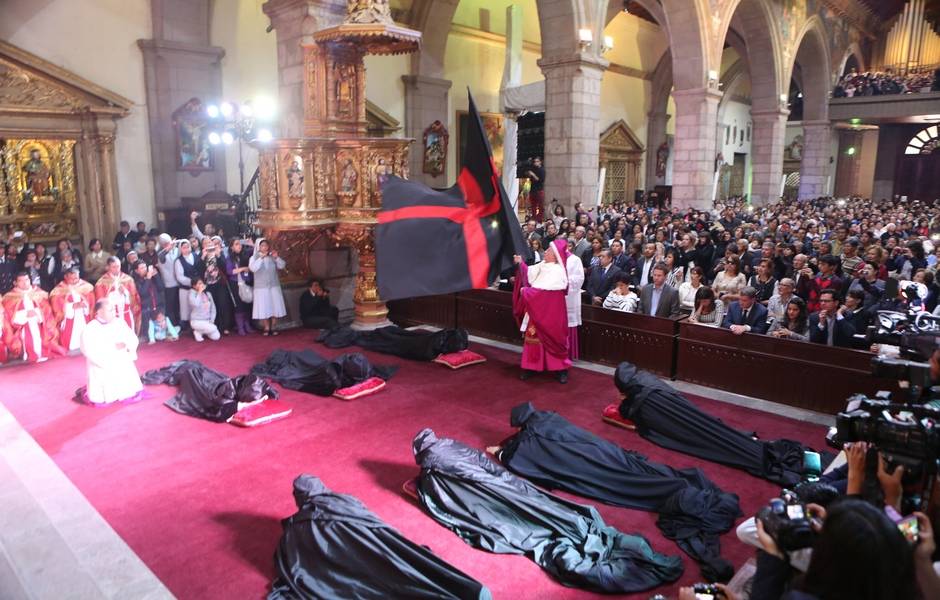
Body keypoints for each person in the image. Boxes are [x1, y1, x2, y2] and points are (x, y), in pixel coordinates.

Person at [512, 241, 571, 383]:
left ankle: (560, 369)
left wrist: (526, 292)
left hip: (551, 314)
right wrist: (521, 263)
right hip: (536, 311)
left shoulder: (558, 272)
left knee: (554, 338)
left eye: (549, 251)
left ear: (556, 255)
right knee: (533, 338)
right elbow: (528, 275)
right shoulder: (542, 265)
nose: (545, 252)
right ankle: (531, 367)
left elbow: (544, 294)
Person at [79, 298, 144, 406]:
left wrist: (126, 344)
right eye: (110, 310)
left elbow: (132, 338)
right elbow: (88, 349)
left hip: (121, 358)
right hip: (103, 363)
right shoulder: (90, 329)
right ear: (99, 312)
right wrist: (111, 350)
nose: (114, 312)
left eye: (114, 309)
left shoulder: (119, 322)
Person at [2, 271, 60, 362]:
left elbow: (47, 311)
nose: (25, 283)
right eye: (21, 281)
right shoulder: (10, 297)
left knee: (44, 339)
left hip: (40, 325)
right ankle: (27, 354)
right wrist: (25, 315)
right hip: (22, 328)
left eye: (27, 280)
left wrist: (37, 313)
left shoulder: (38, 293)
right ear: (15, 283)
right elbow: (8, 317)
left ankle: (43, 352)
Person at [49, 267, 94, 353]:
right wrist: (72, 306)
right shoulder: (59, 290)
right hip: (69, 317)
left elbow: (91, 302)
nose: (74, 281)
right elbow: (56, 306)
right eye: (71, 279)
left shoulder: (86, 286)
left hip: (83, 315)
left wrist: (85, 304)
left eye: (76, 278)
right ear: (65, 277)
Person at [249, 238, 287, 336]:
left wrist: (276, 257)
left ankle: (274, 326)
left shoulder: (272, 256)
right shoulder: (254, 257)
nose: (265, 247)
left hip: (274, 286)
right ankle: (266, 326)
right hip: (261, 288)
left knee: (275, 306)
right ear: (258, 247)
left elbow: (282, 266)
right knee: (263, 307)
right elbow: (253, 268)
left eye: (266, 245)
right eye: (262, 245)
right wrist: (261, 258)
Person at [94, 256, 141, 335]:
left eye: (118, 266)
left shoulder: (127, 279)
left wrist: (125, 292)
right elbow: (100, 301)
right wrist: (111, 293)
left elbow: (134, 297)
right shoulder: (101, 282)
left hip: (126, 313)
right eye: (114, 267)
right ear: (108, 267)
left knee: (128, 336)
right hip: (112, 315)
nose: (117, 269)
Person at [202, 237, 235, 335]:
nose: (208, 244)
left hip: (220, 283)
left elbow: (225, 266)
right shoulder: (202, 255)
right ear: (203, 245)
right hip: (208, 285)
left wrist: (219, 255)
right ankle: (215, 326)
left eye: (209, 242)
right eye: (205, 243)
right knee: (212, 306)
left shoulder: (217, 253)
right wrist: (202, 257)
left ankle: (226, 326)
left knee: (223, 304)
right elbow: (198, 269)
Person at [225, 238, 253, 336]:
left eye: (240, 244)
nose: (239, 246)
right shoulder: (229, 258)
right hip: (236, 283)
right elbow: (229, 271)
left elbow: (256, 251)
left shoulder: (245, 254)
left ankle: (247, 325)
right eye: (236, 244)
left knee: (247, 303)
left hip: (247, 281)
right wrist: (242, 269)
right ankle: (240, 327)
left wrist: (251, 244)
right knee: (239, 305)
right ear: (232, 247)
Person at [132, 261, 164, 339]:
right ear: (137, 271)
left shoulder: (152, 276)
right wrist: (148, 279)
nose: (145, 269)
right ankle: (146, 335)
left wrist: (156, 276)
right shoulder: (136, 281)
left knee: (161, 332)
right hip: (146, 308)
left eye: (145, 267)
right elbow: (143, 293)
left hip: (157, 306)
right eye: (142, 268)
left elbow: (161, 288)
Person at [174, 239, 202, 330]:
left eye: (188, 247)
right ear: (180, 249)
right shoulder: (178, 261)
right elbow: (180, 277)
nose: (186, 249)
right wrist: (192, 283)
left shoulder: (195, 256)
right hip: (185, 288)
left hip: (198, 288)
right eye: (184, 248)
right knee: (186, 310)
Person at [155, 233, 180, 326]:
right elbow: (161, 256)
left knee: (179, 305)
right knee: (171, 306)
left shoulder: (177, 250)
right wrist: (168, 248)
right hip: (169, 284)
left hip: (179, 282)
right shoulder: (161, 254)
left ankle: (180, 324)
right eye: (165, 244)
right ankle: (172, 325)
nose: (168, 245)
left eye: (168, 243)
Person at [188, 277, 221, 342]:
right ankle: (198, 331)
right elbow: (195, 304)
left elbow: (213, 308)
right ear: (194, 286)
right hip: (196, 321)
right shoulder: (191, 294)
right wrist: (199, 292)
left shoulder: (208, 294)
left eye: (202, 283)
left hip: (207, 321)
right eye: (199, 284)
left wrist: (212, 320)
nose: (201, 285)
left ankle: (199, 332)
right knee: (213, 328)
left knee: (216, 337)